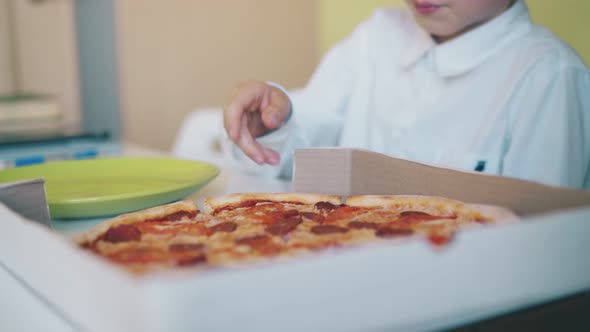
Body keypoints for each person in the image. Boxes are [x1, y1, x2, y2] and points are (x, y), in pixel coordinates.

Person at [222, 0, 590, 188]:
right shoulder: (376, 37)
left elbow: (542, 239)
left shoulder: (549, 75)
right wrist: (273, 124)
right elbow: (297, 158)